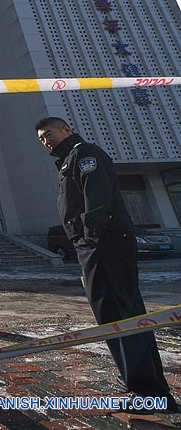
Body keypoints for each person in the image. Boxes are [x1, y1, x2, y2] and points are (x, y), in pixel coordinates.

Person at [35, 117, 178, 414]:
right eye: (41, 138)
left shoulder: (84, 154)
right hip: (93, 246)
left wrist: (90, 237)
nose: (45, 140)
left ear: (67, 130)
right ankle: (144, 387)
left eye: (49, 133)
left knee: (119, 312)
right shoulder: (68, 161)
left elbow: (96, 198)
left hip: (103, 245)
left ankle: (146, 391)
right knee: (114, 313)